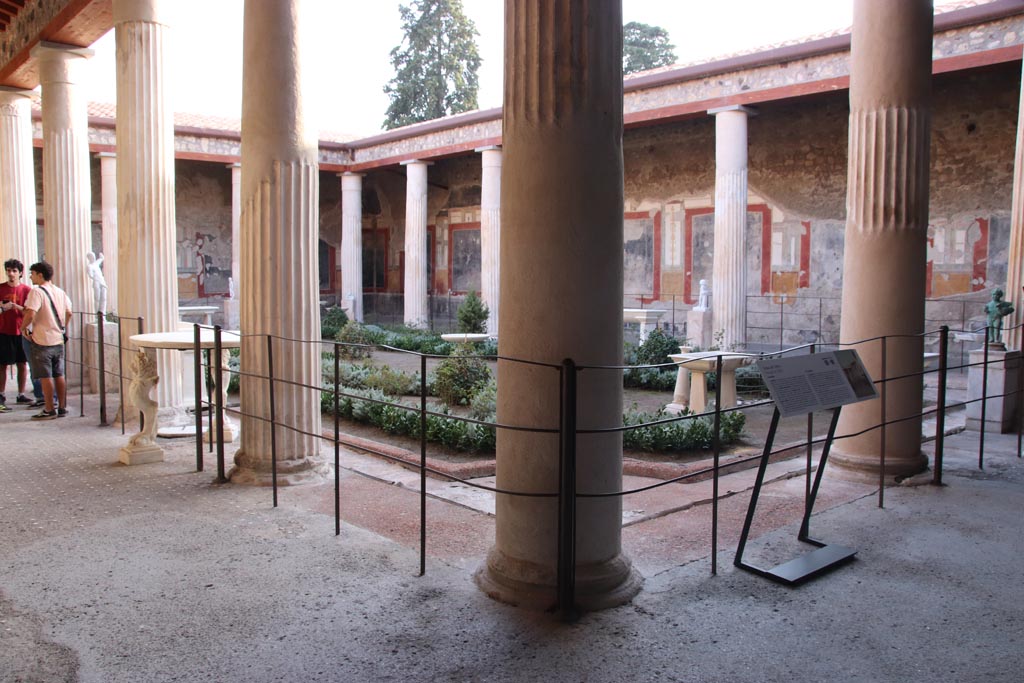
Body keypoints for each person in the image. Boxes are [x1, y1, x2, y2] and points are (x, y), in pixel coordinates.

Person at [22, 261, 73, 420]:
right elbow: (69, 312)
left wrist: (23, 328)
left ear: (40, 274)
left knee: (46, 376)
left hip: (42, 339)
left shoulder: (36, 292)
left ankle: (49, 409)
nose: (30, 276)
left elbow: (30, 313)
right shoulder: (60, 291)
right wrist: (63, 327)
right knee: (59, 374)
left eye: (32, 273)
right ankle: (62, 407)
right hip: (57, 339)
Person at [0, 259, 33, 412]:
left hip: (21, 331)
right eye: (8, 270)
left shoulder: (26, 290)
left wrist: (16, 306)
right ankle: (1, 395)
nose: (11, 273)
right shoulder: (0, 288)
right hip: (3, 331)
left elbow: (30, 311)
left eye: (14, 270)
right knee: (3, 365)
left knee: (22, 363)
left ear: (20, 273)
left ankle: (21, 393)